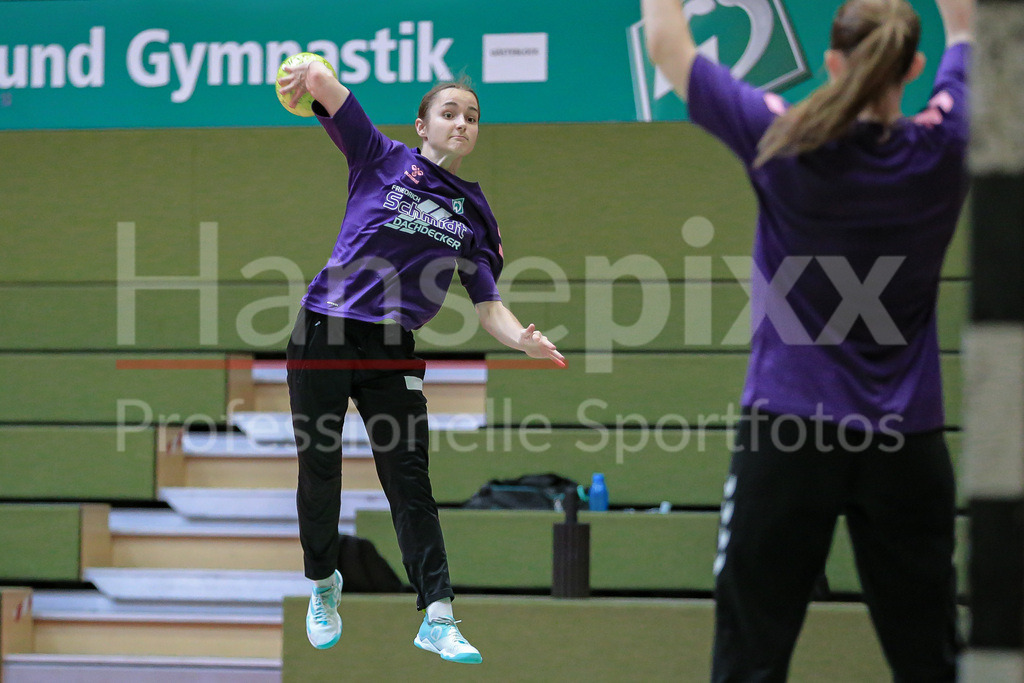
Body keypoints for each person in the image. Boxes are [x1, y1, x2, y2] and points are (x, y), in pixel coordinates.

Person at [642, 0, 972, 679]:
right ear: (913, 66)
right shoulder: (946, 144)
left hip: (790, 435)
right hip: (907, 442)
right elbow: (971, 28)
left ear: (832, 63)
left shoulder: (785, 137)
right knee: (931, 662)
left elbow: (667, 45)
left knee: (749, 661)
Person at [276, 61, 565, 664]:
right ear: (422, 125)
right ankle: (323, 584)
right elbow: (330, 90)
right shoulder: (379, 157)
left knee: (409, 482)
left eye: (472, 117)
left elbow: (488, 305)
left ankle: (438, 616)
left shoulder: (473, 213)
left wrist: (521, 340)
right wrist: (307, 72)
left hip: (391, 346)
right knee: (320, 466)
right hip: (325, 328)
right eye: (449, 113)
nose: (462, 124)